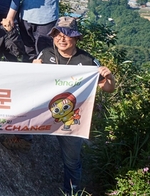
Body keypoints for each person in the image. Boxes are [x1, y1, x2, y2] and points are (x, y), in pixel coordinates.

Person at [33, 17, 115, 194]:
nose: (61, 39)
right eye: (57, 34)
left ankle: (71, 193)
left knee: (72, 162)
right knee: (22, 131)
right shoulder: (45, 54)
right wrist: (32, 68)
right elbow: (31, 82)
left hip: (71, 120)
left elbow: (107, 88)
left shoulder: (87, 61)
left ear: (76, 38)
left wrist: (110, 77)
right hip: (43, 113)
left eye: (67, 35)